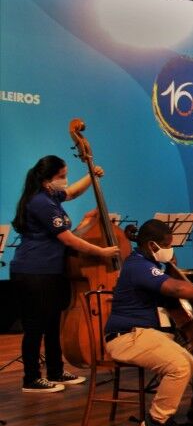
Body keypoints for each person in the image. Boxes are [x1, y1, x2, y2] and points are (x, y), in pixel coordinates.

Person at [103, 219, 193, 426]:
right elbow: (175, 288)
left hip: (150, 333)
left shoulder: (150, 265)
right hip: (128, 336)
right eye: (167, 244)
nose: (170, 249)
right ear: (153, 246)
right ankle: (156, 420)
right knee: (181, 364)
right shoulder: (137, 266)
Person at [9, 155, 118, 393]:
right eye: (61, 176)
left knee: (51, 323)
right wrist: (101, 251)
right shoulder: (41, 202)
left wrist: (91, 174)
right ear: (48, 179)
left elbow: (73, 193)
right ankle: (31, 379)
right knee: (35, 326)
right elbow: (68, 239)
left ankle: (56, 371)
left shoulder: (50, 196)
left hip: (50, 271)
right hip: (33, 272)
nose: (65, 180)